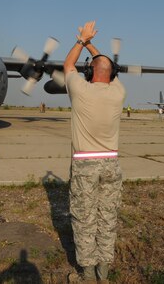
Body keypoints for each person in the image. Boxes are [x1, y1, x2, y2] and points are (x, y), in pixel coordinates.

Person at [63, 20, 126, 283]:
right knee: (107, 218)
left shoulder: (80, 91)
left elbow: (67, 66)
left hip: (85, 165)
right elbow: (104, 67)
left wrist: (81, 41)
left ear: (89, 72)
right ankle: (104, 274)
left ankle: (87, 277)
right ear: (112, 75)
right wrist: (92, 47)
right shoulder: (118, 92)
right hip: (111, 165)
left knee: (84, 219)